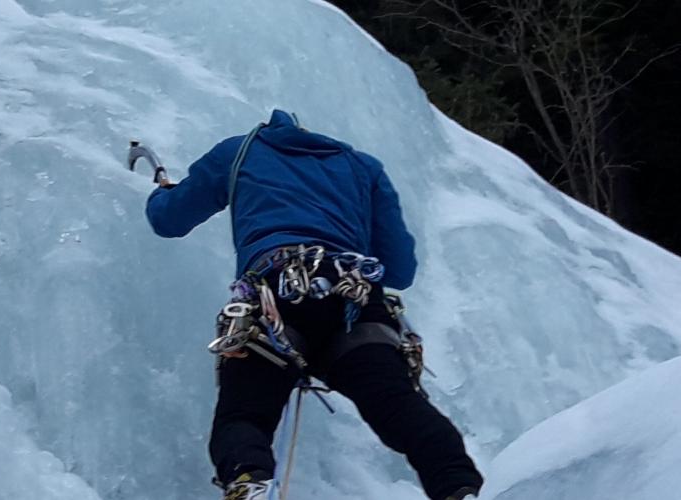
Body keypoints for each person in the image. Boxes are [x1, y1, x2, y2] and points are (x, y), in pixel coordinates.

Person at [144, 110, 484, 500]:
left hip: (276, 298)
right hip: (354, 302)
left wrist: (163, 192)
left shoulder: (241, 152)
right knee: (398, 407)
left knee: (245, 414)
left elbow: (168, 220)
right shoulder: (362, 166)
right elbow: (400, 269)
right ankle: (459, 488)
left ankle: (249, 482)